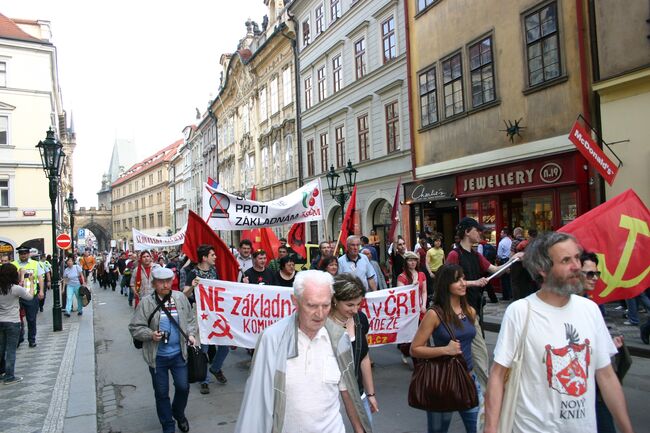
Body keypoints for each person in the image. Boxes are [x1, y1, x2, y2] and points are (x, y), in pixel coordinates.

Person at [484, 232, 634, 433]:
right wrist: (491, 429)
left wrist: (627, 429)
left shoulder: (590, 310)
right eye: (566, 260)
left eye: (576, 258)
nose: (577, 266)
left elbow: (606, 376)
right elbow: (497, 375)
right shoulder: (520, 312)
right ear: (542, 270)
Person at [234, 270, 371, 433]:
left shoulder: (340, 338)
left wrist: (359, 428)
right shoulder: (272, 339)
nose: (320, 314)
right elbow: (256, 400)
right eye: (312, 305)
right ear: (295, 301)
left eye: (325, 305)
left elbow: (347, 389)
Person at [410, 264, 486, 433]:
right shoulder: (434, 314)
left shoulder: (470, 311)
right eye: (457, 280)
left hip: (469, 380)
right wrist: (445, 350)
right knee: (438, 430)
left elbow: (475, 346)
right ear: (446, 284)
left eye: (463, 278)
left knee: (479, 428)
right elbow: (415, 349)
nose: (463, 283)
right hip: (443, 381)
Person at [129, 267, 197, 433]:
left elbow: (190, 319)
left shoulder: (180, 298)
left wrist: (191, 334)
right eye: (161, 282)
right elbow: (135, 327)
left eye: (168, 281)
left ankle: (178, 413)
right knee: (161, 392)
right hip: (157, 356)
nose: (166, 285)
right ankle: (168, 425)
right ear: (154, 283)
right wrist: (150, 334)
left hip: (179, 353)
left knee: (183, 387)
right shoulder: (147, 302)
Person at [446, 217, 521, 325]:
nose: (480, 233)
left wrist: (512, 260)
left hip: (475, 307)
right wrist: (475, 282)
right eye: (477, 230)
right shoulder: (454, 255)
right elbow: (449, 283)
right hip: (460, 309)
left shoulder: (476, 255)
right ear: (467, 232)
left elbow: (495, 271)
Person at [330, 273, 379, 424]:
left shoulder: (360, 319)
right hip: (331, 400)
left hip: (358, 394)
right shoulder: (321, 325)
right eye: (350, 305)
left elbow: (364, 357)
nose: (355, 310)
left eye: (358, 304)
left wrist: (370, 394)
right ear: (334, 300)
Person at [184, 244, 229, 394]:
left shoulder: (214, 271)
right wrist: (192, 286)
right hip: (201, 314)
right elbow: (184, 294)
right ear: (204, 257)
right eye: (212, 255)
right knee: (203, 348)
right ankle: (204, 380)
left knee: (225, 345)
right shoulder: (193, 273)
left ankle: (215, 368)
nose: (215, 257)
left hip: (215, 314)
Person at [0, 263, 33, 384]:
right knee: (11, 350)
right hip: (13, 322)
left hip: (0, 321)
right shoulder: (15, 288)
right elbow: (29, 296)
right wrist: (31, 281)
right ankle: (9, 376)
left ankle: (1, 372)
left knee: (1, 348)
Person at [12, 246, 45, 348]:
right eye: (21, 254)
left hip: (31, 295)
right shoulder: (14, 264)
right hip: (17, 296)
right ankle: (18, 338)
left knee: (31, 319)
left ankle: (32, 339)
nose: (23, 255)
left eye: (25, 253)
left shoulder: (35, 264)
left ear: (28, 254)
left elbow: (40, 278)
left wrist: (41, 291)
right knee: (16, 319)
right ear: (19, 254)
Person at [397, 251, 427, 316]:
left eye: (415, 260)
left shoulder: (422, 274)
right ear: (406, 262)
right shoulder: (401, 277)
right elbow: (401, 296)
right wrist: (412, 287)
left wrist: (424, 305)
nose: (413, 263)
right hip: (408, 310)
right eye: (410, 260)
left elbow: (424, 292)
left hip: (420, 307)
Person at [496, 228, 512, 301]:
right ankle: (511, 294)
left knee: (504, 279)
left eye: (501, 233)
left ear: (505, 233)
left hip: (504, 260)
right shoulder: (510, 240)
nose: (500, 234)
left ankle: (506, 296)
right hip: (510, 259)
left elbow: (499, 254)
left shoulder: (501, 242)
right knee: (509, 278)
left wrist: (497, 261)